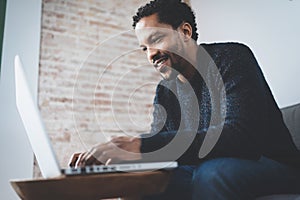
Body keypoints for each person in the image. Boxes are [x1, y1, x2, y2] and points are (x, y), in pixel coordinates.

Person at [69, 0, 300, 199]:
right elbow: (160, 147)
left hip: (276, 166)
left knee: (213, 174)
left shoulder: (232, 57)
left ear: (185, 32)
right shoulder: (165, 91)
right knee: (142, 181)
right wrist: (118, 159)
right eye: (144, 48)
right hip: (202, 169)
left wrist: (141, 145)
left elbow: (240, 137)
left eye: (156, 39)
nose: (150, 54)